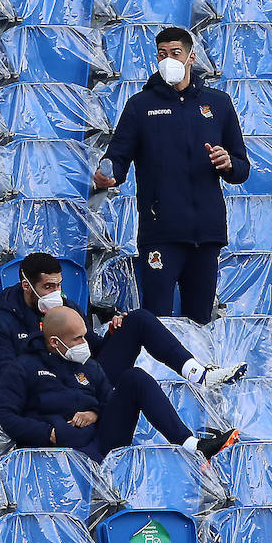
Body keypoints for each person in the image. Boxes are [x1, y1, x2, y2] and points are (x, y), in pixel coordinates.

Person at [93, 26, 250, 325]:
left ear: (191, 57)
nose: (169, 60)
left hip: (207, 232)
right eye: (162, 54)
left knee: (200, 319)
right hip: (160, 232)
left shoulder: (219, 103)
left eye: (175, 53)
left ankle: (203, 372)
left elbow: (241, 169)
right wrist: (108, 175)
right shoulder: (140, 105)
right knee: (158, 321)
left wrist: (228, 162)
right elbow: (117, 157)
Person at [0, 306, 239, 462]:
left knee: (135, 377)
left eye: (84, 337)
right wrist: (49, 434)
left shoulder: (89, 364)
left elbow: (107, 399)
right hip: (60, 446)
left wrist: (95, 413)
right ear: (55, 342)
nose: (84, 344)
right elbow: (3, 412)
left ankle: (193, 446)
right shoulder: (22, 367)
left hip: (101, 439)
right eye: (77, 339)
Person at [0, 252, 243, 388]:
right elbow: (4, 376)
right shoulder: (2, 323)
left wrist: (111, 335)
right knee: (137, 382)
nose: (57, 294)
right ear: (26, 286)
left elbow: (91, 346)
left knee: (138, 319)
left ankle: (199, 375)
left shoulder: (68, 306)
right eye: (49, 287)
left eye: (59, 286)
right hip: (51, 394)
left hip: (88, 381)